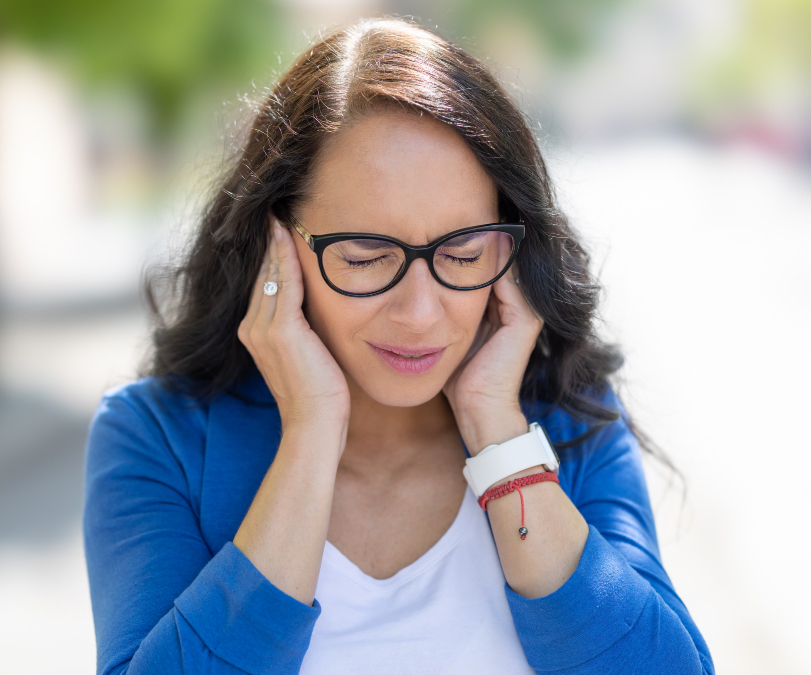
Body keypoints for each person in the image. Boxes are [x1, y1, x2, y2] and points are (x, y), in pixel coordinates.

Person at [83, 17, 713, 675]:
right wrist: (310, 433)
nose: (419, 312)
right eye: (365, 257)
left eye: (463, 252)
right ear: (278, 244)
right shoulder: (155, 437)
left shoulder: (568, 418)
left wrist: (497, 428)